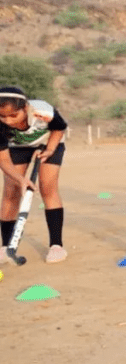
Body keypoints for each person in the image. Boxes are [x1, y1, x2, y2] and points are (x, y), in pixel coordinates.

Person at [0, 87, 68, 264]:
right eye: (3, 117)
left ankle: (56, 246)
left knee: (47, 187)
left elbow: (59, 128)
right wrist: (21, 180)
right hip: (17, 147)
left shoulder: (43, 111)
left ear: (25, 108)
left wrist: (50, 149)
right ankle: (6, 247)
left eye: (13, 115)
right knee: (10, 191)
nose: (8, 121)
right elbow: (3, 160)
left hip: (49, 142)